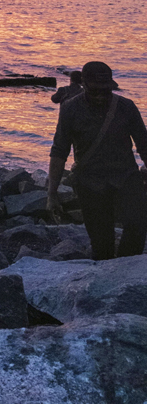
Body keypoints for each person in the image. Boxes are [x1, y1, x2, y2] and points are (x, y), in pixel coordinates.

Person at [47, 61, 147, 260]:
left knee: (138, 225)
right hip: (90, 183)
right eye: (95, 91)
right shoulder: (70, 109)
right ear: (83, 84)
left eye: (106, 90)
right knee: (101, 244)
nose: (101, 96)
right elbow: (59, 151)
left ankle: (126, 268)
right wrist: (52, 193)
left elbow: (144, 145)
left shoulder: (126, 107)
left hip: (126, 177)